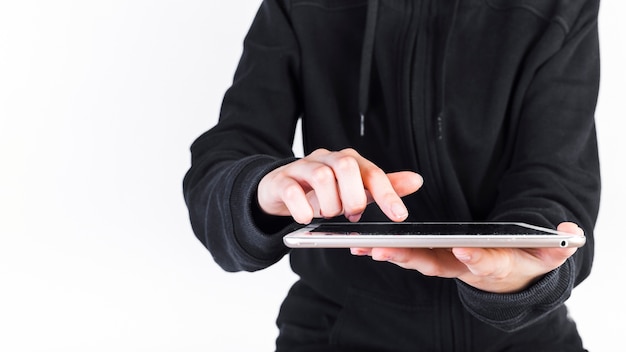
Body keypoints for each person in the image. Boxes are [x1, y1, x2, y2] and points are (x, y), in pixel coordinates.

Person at [183, 0, 601, 350]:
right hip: (334, 334)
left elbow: (557, 179)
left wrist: (520, 276)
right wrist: (261, 189)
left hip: (528, 340)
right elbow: (222, 165)